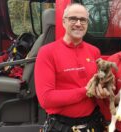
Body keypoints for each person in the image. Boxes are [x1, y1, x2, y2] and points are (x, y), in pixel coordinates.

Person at [34, 3, 106, 132]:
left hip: (93, 124)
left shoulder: (94, 52)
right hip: (61, 126)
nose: (78, 23)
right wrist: (86, 91)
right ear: (64, 22)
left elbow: (99, 87)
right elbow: (46, 99)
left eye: (83, 20)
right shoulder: (47, 52)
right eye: (73, 19)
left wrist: (104, 91)